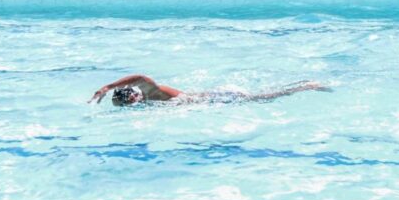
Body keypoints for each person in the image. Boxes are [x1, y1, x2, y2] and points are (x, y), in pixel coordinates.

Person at [90, 74, 330, 107]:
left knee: (264, 98)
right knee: (264, 96)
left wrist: (108, 86)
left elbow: (141, 77)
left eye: (128, 101)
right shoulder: (144, 101)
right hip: (211, 100)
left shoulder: (151, 93)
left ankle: (306, 87)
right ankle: (303, 85)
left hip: (218, 98)